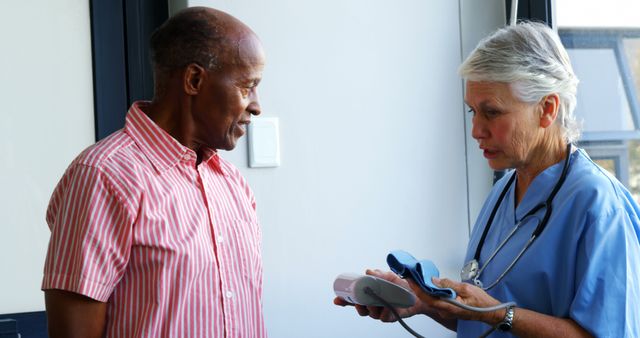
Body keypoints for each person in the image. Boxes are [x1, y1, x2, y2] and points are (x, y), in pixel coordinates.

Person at [335, 22, 640, 337]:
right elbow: (479, 318)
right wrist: (422, 302)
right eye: (472, 112)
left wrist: (499, 314)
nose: (476, 130)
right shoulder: (503, 193)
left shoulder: (600, 207)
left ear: (547, 109)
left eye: (491, 112)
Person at [42, 7, 267, 338]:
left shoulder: (233, 186)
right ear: (194, 80)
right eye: (248, 86)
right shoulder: (103, 176)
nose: (257, 105)